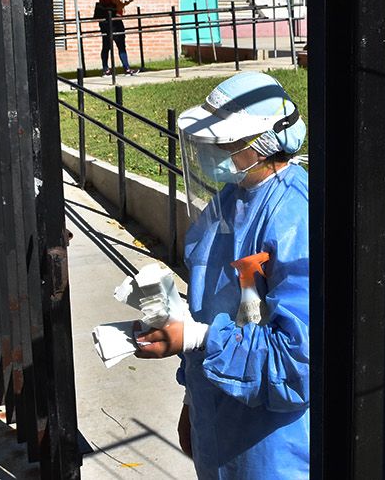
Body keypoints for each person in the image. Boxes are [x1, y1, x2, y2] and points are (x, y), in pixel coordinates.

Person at [136, 71, 310, 478]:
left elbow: (299, 361)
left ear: (263, 143)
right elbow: (209, 303)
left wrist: (195, 338)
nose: (213, 150)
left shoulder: (296, 215)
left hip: (271, 443)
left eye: (225, 141)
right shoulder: (230, 200)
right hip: (217, 417)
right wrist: (191, 403)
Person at [95, 0, 138, 76]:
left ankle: (105, 69)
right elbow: (116, 4)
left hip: (103, 21)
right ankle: (127, 68)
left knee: (106, 45)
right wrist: (125, 4)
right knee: (121, 45)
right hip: (114, 21)